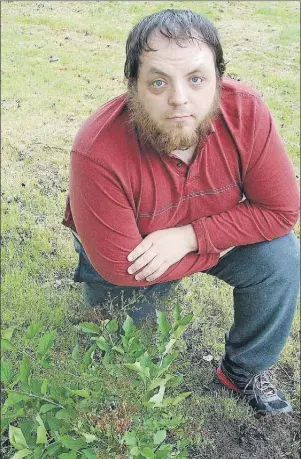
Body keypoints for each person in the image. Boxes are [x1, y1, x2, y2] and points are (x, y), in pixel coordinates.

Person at [63, 9, 300, 415]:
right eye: (158, 82)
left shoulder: (247, 113)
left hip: (202, 228)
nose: (179, 98)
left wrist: (190, 239)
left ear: (219, 80)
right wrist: (216, 247)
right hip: (130, 251)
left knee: (281, 258)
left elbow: (281, 212)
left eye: (196, 78)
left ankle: (243, 372)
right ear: (133, 87)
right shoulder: (96, 151)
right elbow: (121, 265)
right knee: (120, 358)